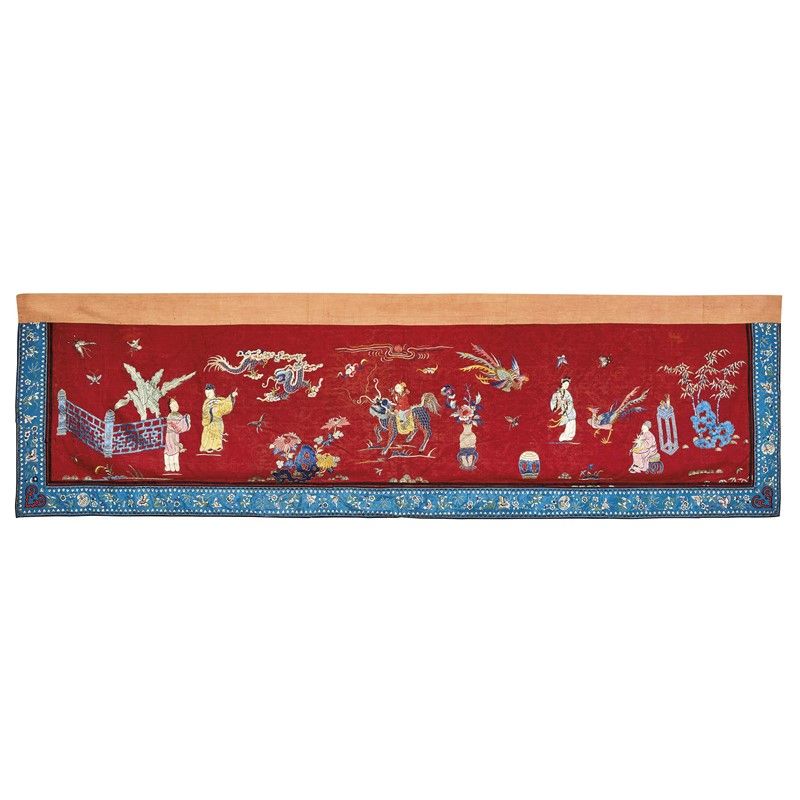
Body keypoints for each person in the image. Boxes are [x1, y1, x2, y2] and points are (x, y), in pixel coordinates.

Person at [200, 383, 238, 453]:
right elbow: (204, 411)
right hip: (209, 421)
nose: (208, 394)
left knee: (218, 433)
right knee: (208, 434)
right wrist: (211, 411)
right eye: (206, 393)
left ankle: (217, 445)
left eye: (209, 392)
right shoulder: (206, 402)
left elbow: (225, 403)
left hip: (218, 420)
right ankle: (207, 447)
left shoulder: (219, 399)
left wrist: (231, 396)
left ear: (213, 391)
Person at [164, 398, 190, 472]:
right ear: (170, 407)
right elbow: (177, 425)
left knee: (174, 449)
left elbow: (181, 425)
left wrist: (185, 419)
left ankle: (175, 466)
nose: (175, 407)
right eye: (173, 405)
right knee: (169, 448)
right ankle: (169, 466)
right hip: (170, 434)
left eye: (176, 405)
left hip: (174, 434)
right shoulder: (170, 415)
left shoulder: (178, 415)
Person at [549, 377, 576, 441]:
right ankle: (564, 437)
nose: (567, 386)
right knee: (569, 423)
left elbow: (570, 402)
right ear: (562, 384)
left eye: (568, 385)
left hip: (569, 410)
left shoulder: (567, 393)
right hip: (564, 410)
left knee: (572, 422)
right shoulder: (557, 393)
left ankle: (569, 437)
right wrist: (559, 403)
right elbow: (554, 402)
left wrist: (566, 405)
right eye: (565, 384)